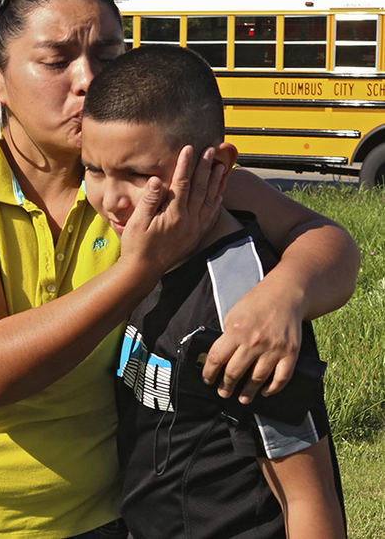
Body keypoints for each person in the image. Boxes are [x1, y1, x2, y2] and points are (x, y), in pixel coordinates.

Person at [0, 0, 359, 539]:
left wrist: (286, 295)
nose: (88, 78)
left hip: (101, 521)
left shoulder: (159, 176)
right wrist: (140, 267)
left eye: (108, 54)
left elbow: (325, 239)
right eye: (55, 60)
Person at [81, 45, 346, 539]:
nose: (110, 200)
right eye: (93, 169)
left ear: (216, 167)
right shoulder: (147, 251)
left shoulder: (245, 301)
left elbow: (306, 493)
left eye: (138, 175)